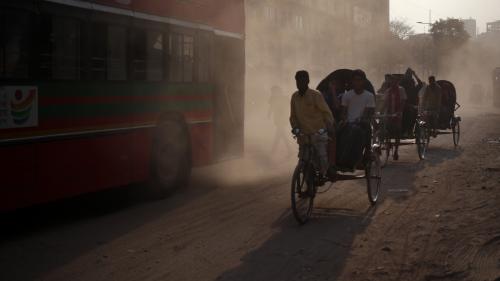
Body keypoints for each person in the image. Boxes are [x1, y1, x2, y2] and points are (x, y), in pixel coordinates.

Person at [290, 70, 334, 180]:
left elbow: (327, 113)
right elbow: (293, 116)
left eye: (303, 80)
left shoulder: (315, 95)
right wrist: (295, 128)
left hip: (318, 133)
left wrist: (328, 126)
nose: (300, 83)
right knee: (302, 160)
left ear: (308, 81)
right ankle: (307, 185)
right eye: (298, 80)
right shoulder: (294, 97)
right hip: (303, 135)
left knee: (322, 157)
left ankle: (323, 174)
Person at [337, 70, 376, 169]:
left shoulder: (369, 96)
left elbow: (368, 112)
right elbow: (343, 112)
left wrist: (361, 119)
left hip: (362, 123)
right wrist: (344, 119)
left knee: (360, 129)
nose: (357, 82)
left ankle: (365, 153)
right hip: (349, 123)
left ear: (363, 81)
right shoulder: (347, 95)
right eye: (354, 80)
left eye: (359, 80)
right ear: (352, 82)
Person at [383, 75, 407, 160]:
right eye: (392, 81)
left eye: (395, 81)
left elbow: (403, 101)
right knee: (386, 129)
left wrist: (400, 111)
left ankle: (396, 150)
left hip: (398, 113)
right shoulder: (388, 91)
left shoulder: (401, 90)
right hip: (389, 113)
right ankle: (388, 143)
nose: (393, 83)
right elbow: (385, 103)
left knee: (397, 131)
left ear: (397, 82)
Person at [268, 85, 292, 156]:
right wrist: (269, 114)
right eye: (272, 92)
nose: (272, 93)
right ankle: (289, 150)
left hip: (283, 118)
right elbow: (271, 107)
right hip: (277, 118)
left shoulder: (284, 98)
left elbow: (289, 107)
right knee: (281, 134)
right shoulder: (273, 98)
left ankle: (274, 150)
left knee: (279, 134)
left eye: (274, 91)